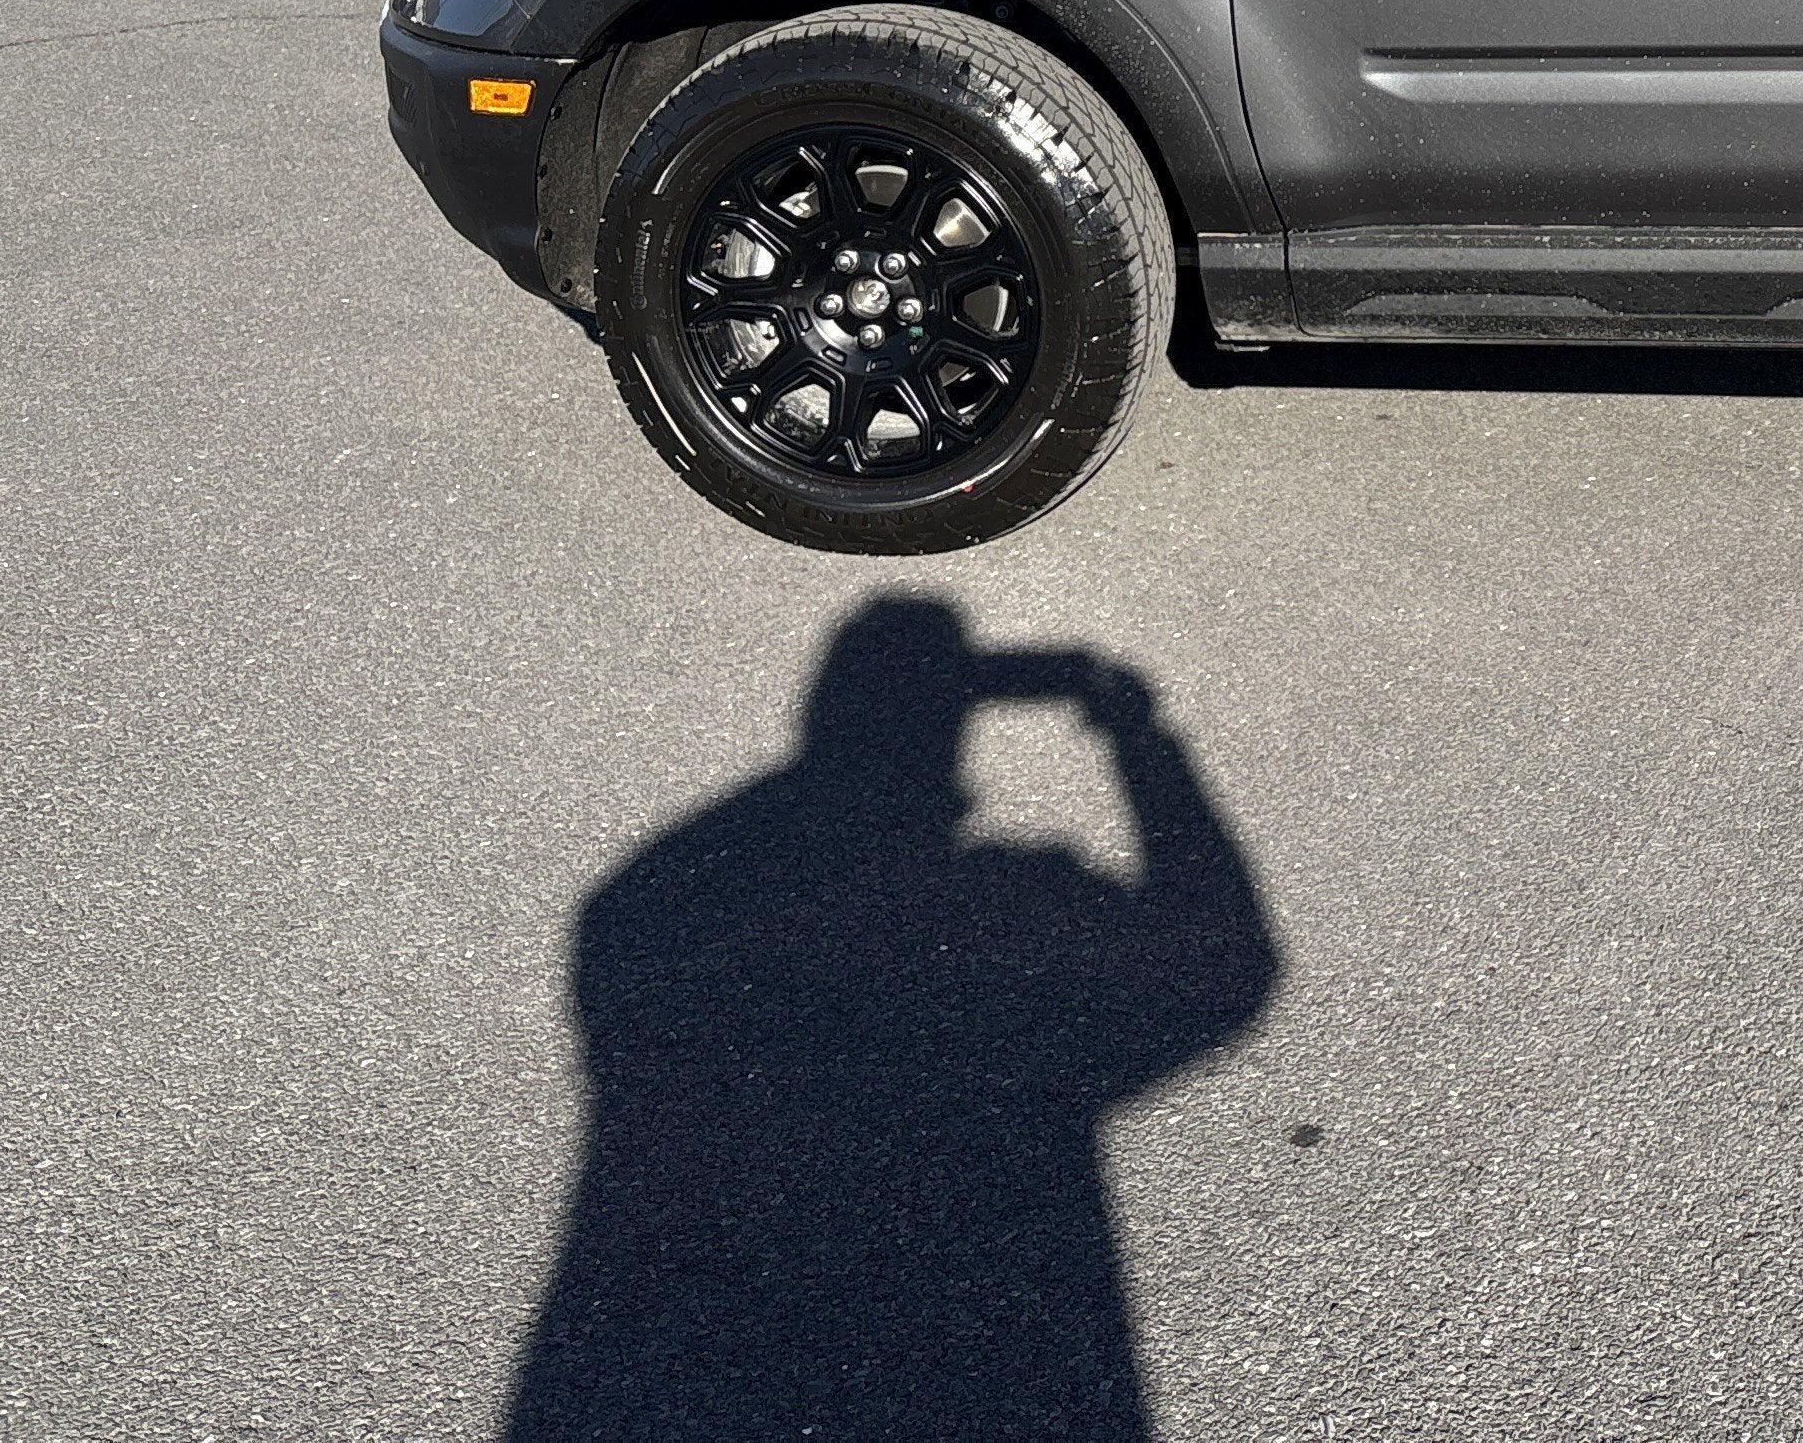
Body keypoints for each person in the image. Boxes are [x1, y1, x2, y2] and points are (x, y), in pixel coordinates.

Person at [506, 597, 1278, 1439]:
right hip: (997, 1369)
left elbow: (676, 891)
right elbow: (1224, 965)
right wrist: (1140, 741)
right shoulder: (1007, 908)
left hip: (677, 1365)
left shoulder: (653, 910)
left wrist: (856, 768)